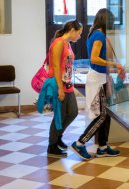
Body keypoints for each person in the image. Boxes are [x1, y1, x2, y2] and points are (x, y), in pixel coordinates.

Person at [71, 8, 124, 160]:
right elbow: (94, 59)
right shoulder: (99, 35)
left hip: (100, 77)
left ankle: (102, 147)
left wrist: (114, 67)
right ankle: (80, 143)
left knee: (105, 115)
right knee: (101, 116)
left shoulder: (94, 33)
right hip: (98, 79)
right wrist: (114, 64)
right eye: (111, 23)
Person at [42, 20, 82, 157]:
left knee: (73, 112)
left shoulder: (67, 43)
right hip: (60, 84)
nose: (79, 36)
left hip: (67, 84)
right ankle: (52, 145)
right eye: (79, 33)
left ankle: (58, 136)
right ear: (71, 30)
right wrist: (60, 88)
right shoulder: (58, 43)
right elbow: (56, 67)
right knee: (59, 116)